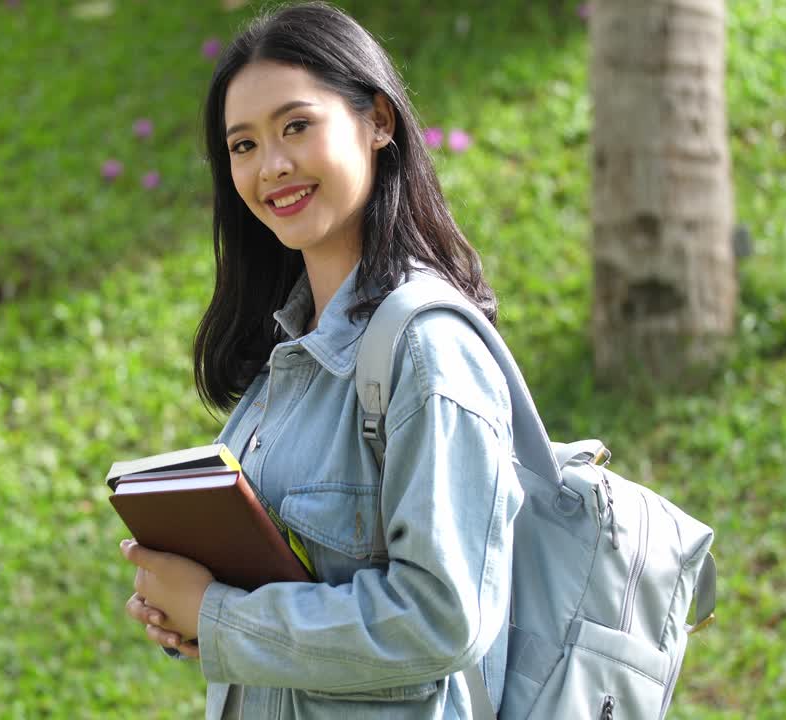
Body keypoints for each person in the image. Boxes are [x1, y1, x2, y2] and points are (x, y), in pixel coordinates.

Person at [119, 3, 524, 718]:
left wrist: (219, 616)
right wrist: (193, 616)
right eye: (242, 146)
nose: (271, 165)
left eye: (296, 126)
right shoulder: (288, 355)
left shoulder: (429, 353)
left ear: (379, 121)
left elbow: (443, 617)